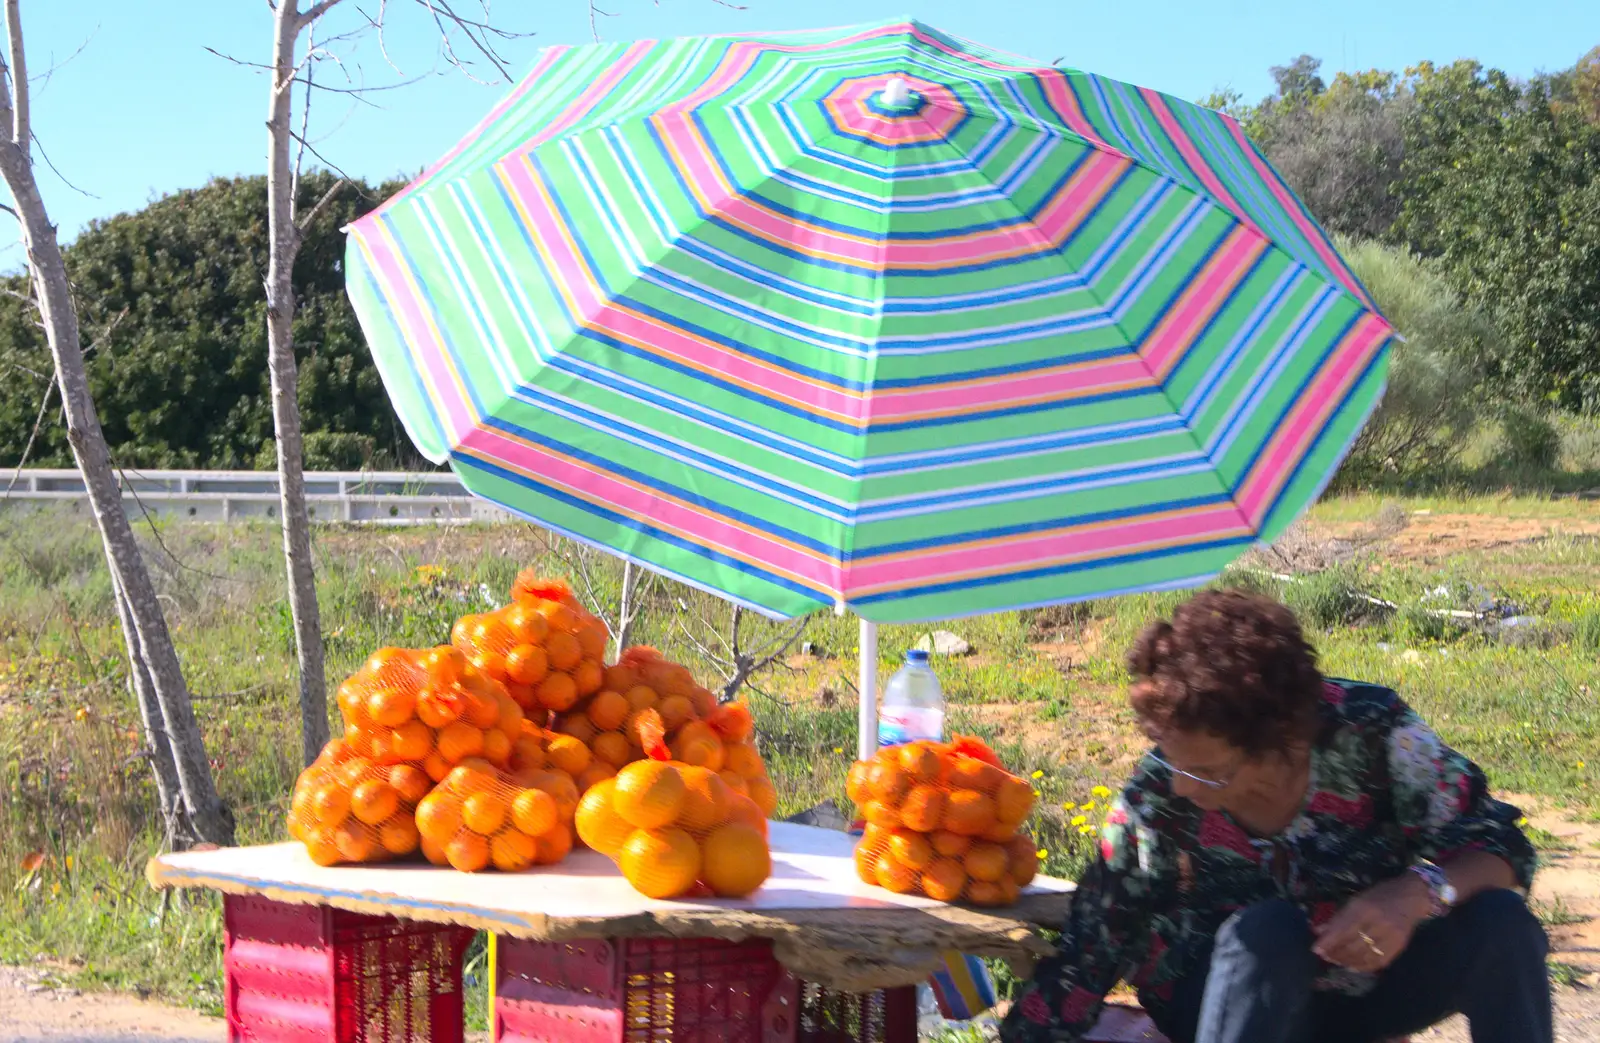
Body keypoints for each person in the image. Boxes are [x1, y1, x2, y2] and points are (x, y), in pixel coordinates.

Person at [999, 590, 1549, 1043]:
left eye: (1209, 771)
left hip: (1365, 996)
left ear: (1282, 738)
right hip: (1222, 1005)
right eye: (1171, 759)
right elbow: (1091, 947)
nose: (1182, 786)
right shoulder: (1157, 799)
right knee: (1266, 930)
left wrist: (1415, 893)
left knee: (1501, 923)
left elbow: (1502, 846)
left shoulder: (1375, 735)